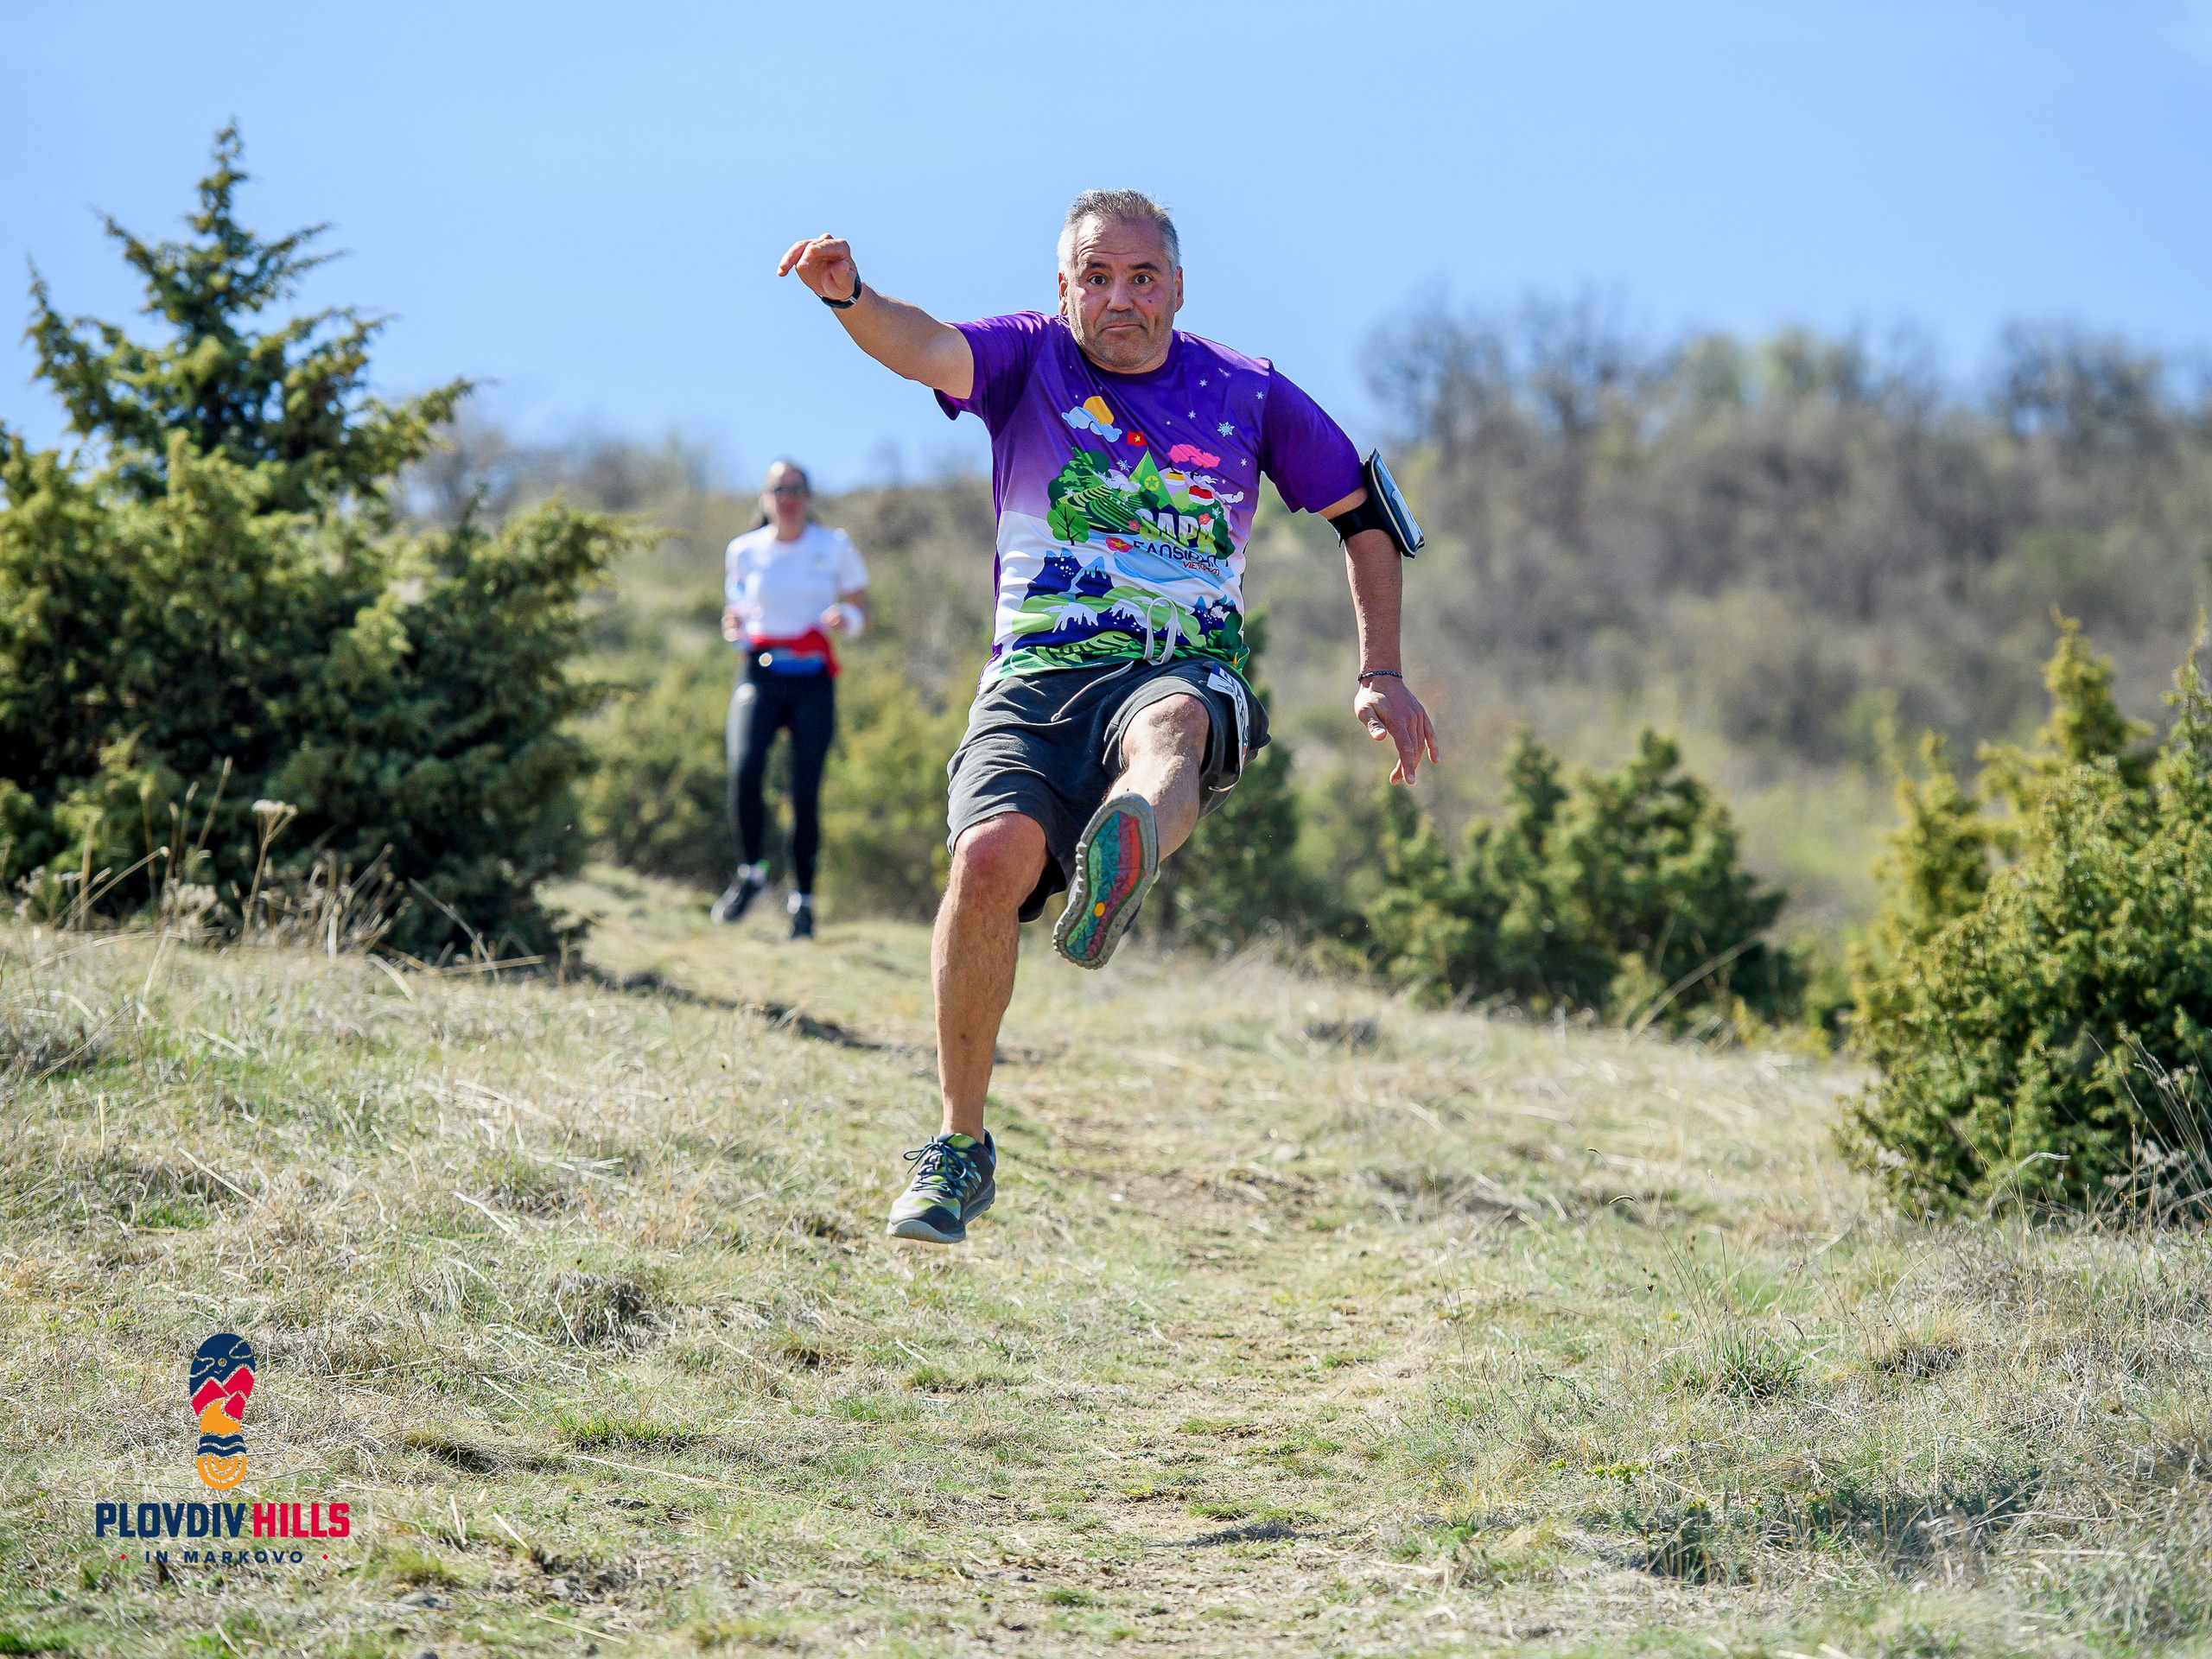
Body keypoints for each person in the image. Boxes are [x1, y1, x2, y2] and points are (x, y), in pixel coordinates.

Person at [778, 189, 1439, 1243]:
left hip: (1181, 660)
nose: (1118, 297)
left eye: (1140, 278)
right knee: (987, 858)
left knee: (1170, 728)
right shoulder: (1029, 361)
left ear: (1177, 287)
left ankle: (1123, 843)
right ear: (1063, 287)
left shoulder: (1247, 392)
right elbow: (925, 348)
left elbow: (1362, 511)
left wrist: (1381, 671)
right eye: (1095, 276)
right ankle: (958, 1147)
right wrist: (849, 296)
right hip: (1034, 674)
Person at [710, 460, 871, 940]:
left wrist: (847, 619)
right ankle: (750, 873)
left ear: (809, 496)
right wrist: (731, 625)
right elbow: (735, 608)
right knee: (744, 771)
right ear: (764, 497)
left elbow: (861, 605)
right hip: (758, 673)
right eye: (779, 489)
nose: (788, 497)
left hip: (812, 678)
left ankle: (803, 901)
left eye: (797, 488)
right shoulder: (743, 550)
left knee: (804, 792)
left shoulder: (833, 545)